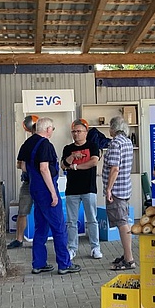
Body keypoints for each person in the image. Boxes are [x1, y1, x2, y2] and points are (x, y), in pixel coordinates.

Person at [27, 117, 81, 275]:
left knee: (41, 227)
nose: (52, 131)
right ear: (48, 129)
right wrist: (53, 193)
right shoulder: (45, 144)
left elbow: (22, 166)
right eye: (53, 129)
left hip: (34, 188)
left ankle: (38, 263)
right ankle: (64, 264)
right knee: (58, 228)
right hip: (46, 190)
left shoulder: (28, 143)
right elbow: (44, 168)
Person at [61, 118, 102, 260]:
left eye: (79, 131)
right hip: (72, 189)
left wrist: (76, 166)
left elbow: (93, 162)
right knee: (71, 221)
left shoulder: (93, 146)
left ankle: (95, 247)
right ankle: (72, 248)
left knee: (92, 219)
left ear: (86, 132)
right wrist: (72, 157)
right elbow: (63, 165)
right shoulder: (68, 148)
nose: (76, 134)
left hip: (89, 188)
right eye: (74, 131)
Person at [102, 116, 135, 270]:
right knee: (124, 221)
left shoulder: (115, 143)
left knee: (122, 223)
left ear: (113, 128)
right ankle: (127, 255)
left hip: (117, 190)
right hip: (125, 188)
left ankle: (129, 259)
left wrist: (109, 189)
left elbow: (115, 168)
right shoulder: (127, 141)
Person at [8, 115, 39, 249]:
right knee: (22, 211)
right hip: (27, 182)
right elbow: (19, 164)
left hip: (40, 182)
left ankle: (40, 239)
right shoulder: (26, 145)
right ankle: (19, 239)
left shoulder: (45, 144)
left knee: (42, 211)